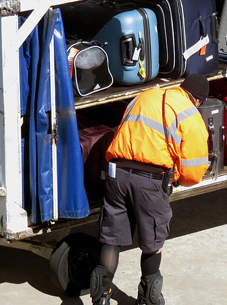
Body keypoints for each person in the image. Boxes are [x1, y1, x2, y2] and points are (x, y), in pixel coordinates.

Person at [90, 74, 210, 305]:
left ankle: (101, 298)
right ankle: (148, 299)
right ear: (197, 100)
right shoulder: (189, 113)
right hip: (150, 182)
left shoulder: (144, 96)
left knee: (112, 238)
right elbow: (193, 171)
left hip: (117, 175)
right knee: (153, 244)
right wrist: (177, 178)